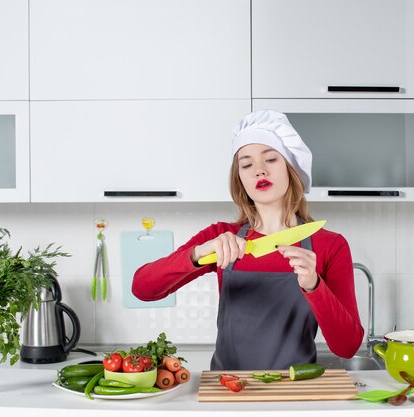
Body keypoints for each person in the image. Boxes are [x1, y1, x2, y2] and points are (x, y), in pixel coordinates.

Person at [132, 109, 364, 370]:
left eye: (271, 159)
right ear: (240, 179)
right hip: (228, 388)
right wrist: (198, 253)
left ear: (291, 169)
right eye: (246, 164)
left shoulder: (329, 245)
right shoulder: (221, 238)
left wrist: (313, 285)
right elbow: (142, 289)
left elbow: (347, 347)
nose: (259, 171)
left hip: (295, 392)